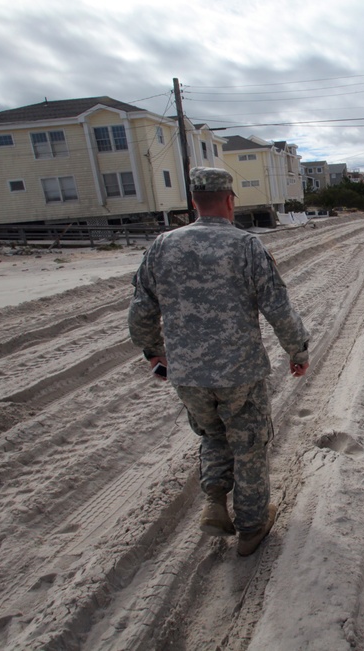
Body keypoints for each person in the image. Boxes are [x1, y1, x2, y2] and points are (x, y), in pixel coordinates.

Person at [128, 167, 310, 556]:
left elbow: (141, 310)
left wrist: (154, 351)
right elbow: (278, 308)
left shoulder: (162, 246)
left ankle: (214, 500)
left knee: (212, 435)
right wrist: (297, 350)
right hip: (239, 371)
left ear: (194, 201)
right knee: (249, 444)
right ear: (230, 200)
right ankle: (250, 527)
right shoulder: (246, 246)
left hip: (187, 373)